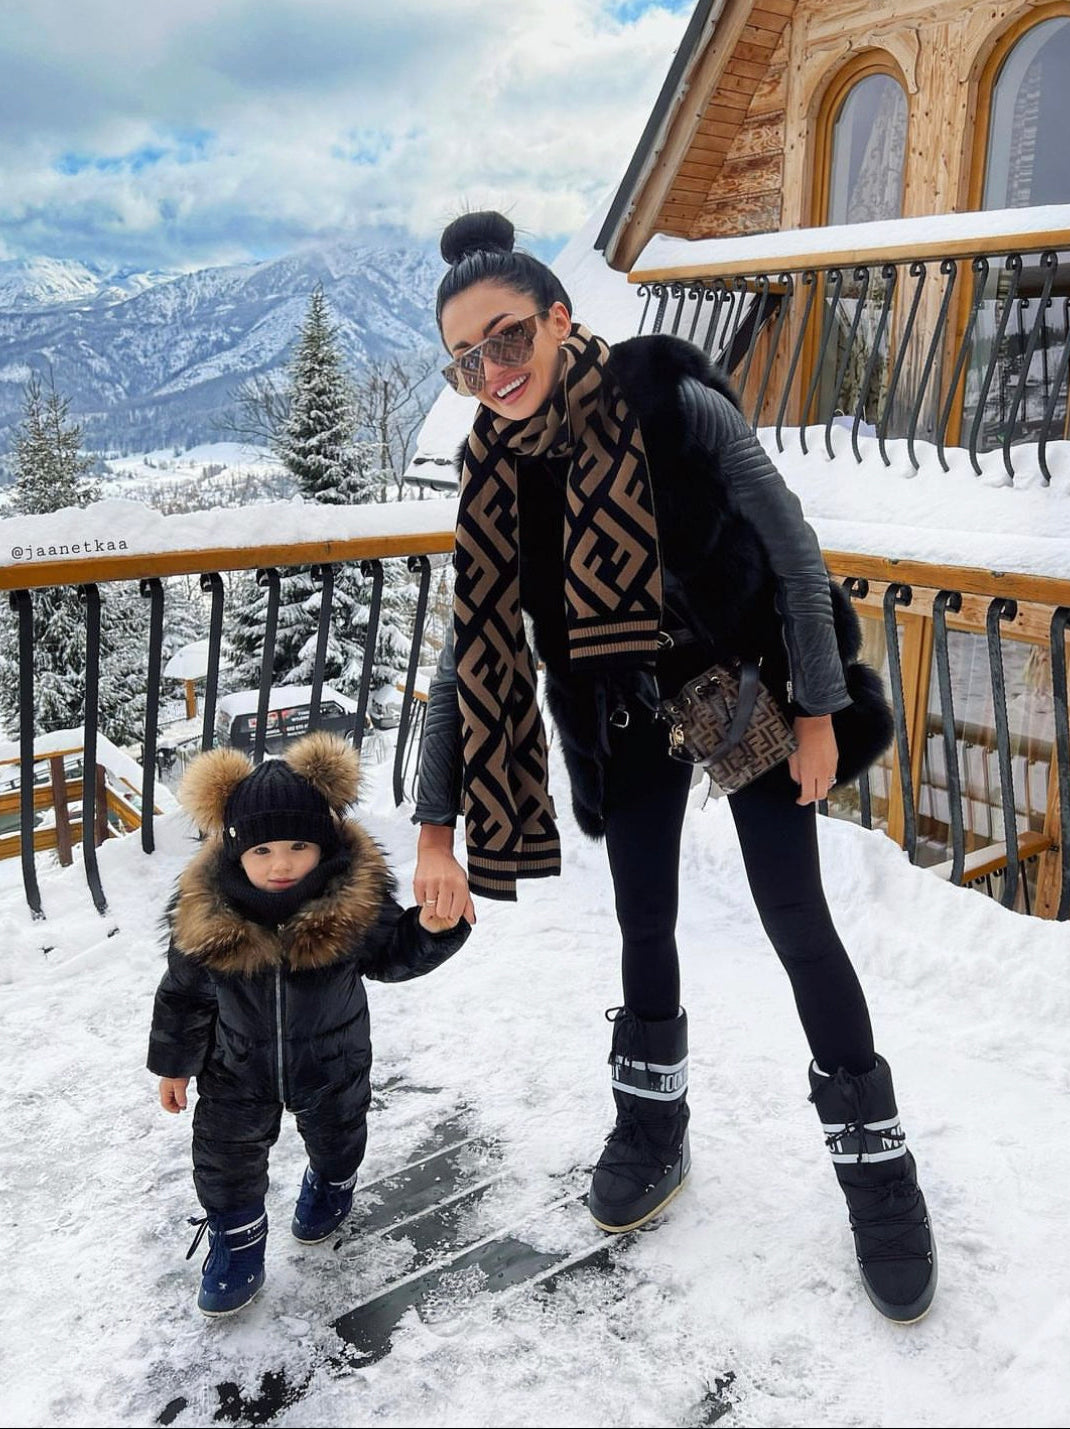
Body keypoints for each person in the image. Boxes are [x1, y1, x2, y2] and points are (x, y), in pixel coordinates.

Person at [411, 210, 937, 1324]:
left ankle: (875, 1160)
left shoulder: (669, 401)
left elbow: (793, 553)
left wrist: (817, 712)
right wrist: (432, 824)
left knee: (796, 917)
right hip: (620, 708)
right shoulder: (493, 478)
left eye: (508, 339)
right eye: (467, 361)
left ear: (559, 320)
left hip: (741, 682)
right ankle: (651, 1120)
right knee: (642, 917)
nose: (493, 373)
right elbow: (472, 653)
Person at [148, 730, 470, 1317]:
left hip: (334, 1060)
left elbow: (393, 956)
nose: (282, 863)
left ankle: (330, 1186)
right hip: (234, 1070)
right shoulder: (208, 921)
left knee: (340, 1137)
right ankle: (238, 1241)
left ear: (323, 844)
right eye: (263, 850)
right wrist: (174, 1065)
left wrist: (432, 929)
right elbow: (183, 996)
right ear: (234, 852)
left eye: (299, 845)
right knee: (223, 1160)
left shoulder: (351, 905)